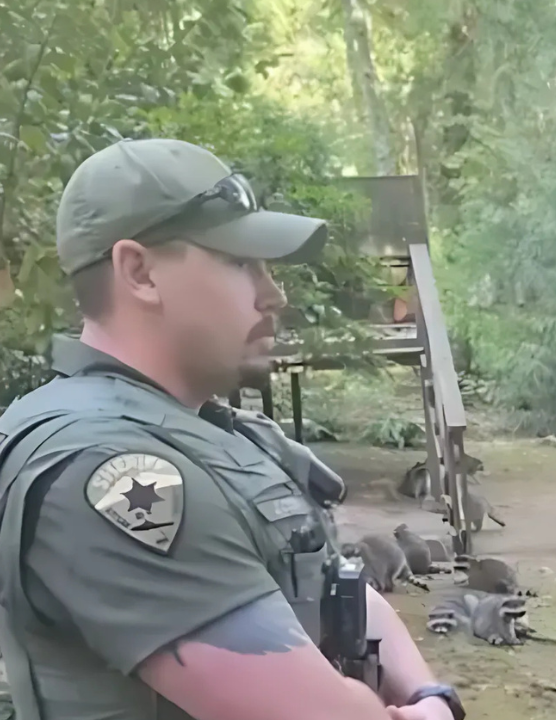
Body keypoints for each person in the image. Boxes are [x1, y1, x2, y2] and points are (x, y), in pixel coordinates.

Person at [0, 139, 463, 720]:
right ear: (139, 273)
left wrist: (428, 697)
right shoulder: (105, 470)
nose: (275, 294)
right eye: (241, 262)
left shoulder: (218, 434)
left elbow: (337, 584)